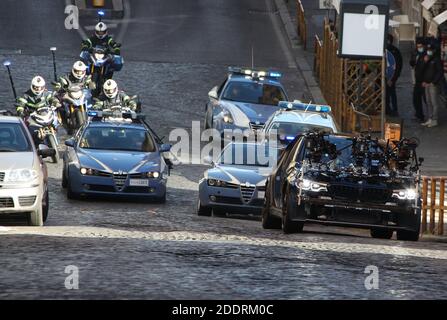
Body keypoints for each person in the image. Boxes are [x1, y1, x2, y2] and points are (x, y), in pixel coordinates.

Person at [16, 76, 61, 144]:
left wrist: (56, 102)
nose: (38, 89)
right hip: (32, 116)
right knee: (26, 128)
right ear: (32, 86)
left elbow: (52, 98)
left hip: (45, 113)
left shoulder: (46, 93)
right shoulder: (26, 95)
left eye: (40, 87)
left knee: (56, 120)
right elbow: (21, 104)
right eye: (36, 87)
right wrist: (20, 111)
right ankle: (30, 142)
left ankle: (54, 132)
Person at [421, 43, 444, 128]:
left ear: (434, 50)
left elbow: (440, 72)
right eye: (428, 50)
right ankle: (430, 118)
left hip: (433, 84)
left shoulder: (436, 59)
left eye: (430, 50)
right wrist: (423, 81)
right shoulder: (427, 58)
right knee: (428, 101)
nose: (429, 51)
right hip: (426, 83)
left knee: (434, 102)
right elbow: (423, 70)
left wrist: (434, 82)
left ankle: (434, 119)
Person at [409, 37, 427, 122]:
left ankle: (430, 117)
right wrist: (412, 62)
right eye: (417, 46)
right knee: (415, 99)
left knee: (426, 100)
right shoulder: (415, 53)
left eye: (420, 46)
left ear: (423, 46)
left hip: (424, 80)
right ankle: (419, 115)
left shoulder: (426, 54)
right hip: (417, 80)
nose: (419, 48)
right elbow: (412, 62)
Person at [385, 34, 403, 116]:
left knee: (392, 94)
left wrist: (393, 79)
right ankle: (386, 110)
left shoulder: (395, 51)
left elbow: (398, 67)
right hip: (381, 78)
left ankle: (394, 110)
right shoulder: (382, 50)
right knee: (384, 95)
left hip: (391, 77)